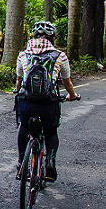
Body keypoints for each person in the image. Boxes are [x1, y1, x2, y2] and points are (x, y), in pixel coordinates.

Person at [14, 20, 78, 182]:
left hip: (27, 101)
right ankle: (50, 162)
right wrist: (72, 95)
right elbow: (67, 82)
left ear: (33, 36)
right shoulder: (59, 56)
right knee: (51, 131)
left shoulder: (23, 54)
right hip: (48, 102)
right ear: (53, 38)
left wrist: (16, 90)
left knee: (24, 126)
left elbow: (19, 80)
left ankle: (21, 162)